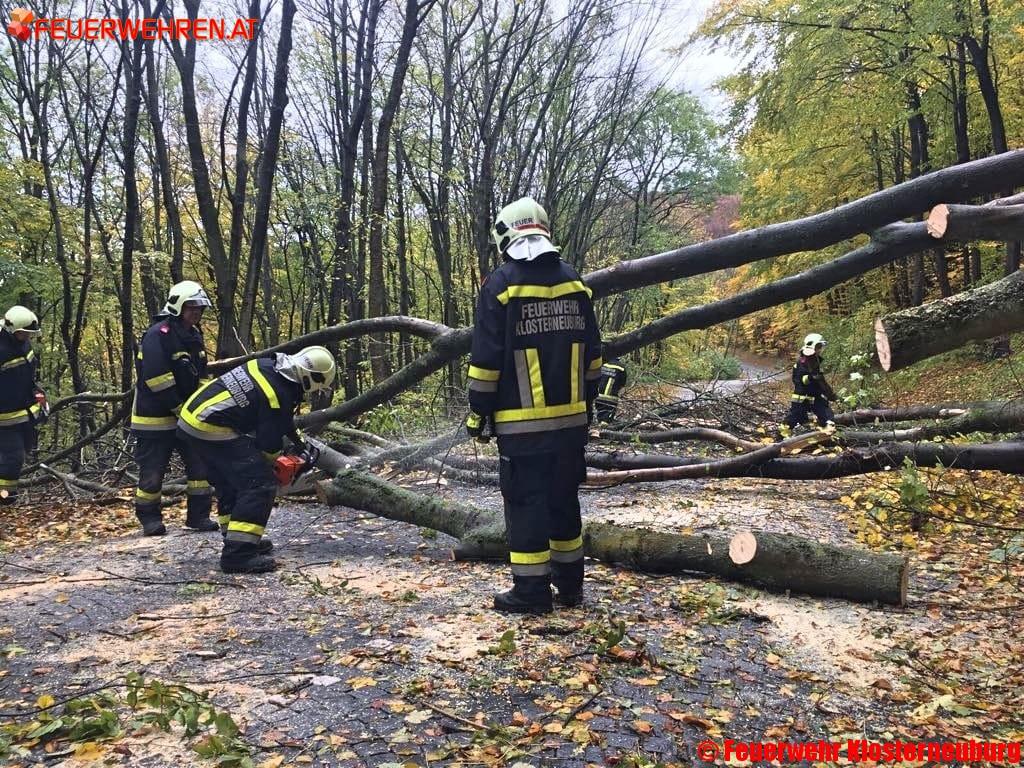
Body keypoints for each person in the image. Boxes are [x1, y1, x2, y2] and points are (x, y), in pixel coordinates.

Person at [465, 197, 603, 615]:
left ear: (506, 235)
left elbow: (486, 362)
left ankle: (531, 592)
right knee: (564, 502)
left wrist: (478, 412)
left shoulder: (501, 285)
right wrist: (587, 401)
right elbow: (594, 355)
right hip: (571, 426)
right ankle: (571, 586)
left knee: (525, 506)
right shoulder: (573, 281)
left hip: (522, 430)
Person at [177, 346, 336, 573]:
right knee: (259, 483)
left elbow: (281, 419)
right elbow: (268, 444)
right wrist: (279, 465)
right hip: (210, 426)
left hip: (191, 420)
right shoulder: (277, 394)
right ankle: (238, 555)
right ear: (312, 378)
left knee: (229, 482)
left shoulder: (267, 365)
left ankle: (237, 539)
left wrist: (299, 443)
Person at [131, 281, 219, 536]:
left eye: (200, 308)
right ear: (178, 306)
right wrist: (179, 408)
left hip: (187, 416)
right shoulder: (158, 335)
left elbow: (202, 375)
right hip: (155, 419)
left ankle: (198, 516)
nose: (197, 313)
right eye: (192, 308)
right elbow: (157, 378)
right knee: (152, 472)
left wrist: (201, 405)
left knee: (200, 467)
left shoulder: (193, 335)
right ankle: (149, 519)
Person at [0, 306, 46, 505]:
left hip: (23, 414)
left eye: (30, 334)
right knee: (14, 458)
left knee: (21, 454)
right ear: (12, 329)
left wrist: (39, 398)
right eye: (24, 333)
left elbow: (27, 379)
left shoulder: (24, 346)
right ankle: (6, 499)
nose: (27, 337)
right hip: (4, 419)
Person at [785, 333, 836, 429]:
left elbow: (820, 381)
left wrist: (830, 395)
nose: (820, 349)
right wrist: (812, 377)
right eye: (819, 346)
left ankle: (827, 437)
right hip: (801, 399)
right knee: (791, 422)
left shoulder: (814, 361)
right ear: (813, 346)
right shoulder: (803, 361)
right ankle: (781, 440)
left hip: (815, 397)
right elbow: (801, 380)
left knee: (829, 419)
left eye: (821, 346)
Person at [594, 358, 627, 424]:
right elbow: (622, 385)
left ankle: (599, 423)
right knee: (607, 416)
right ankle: (605, 428)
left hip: (598, 395)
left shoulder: (603, 363)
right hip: (611, 398)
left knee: (600, 412)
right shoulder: (621, 368)